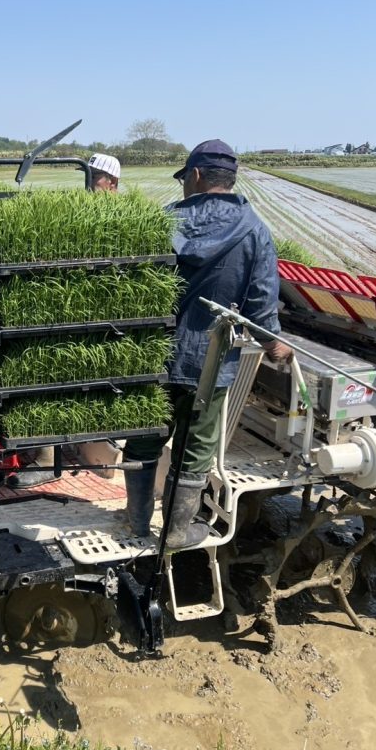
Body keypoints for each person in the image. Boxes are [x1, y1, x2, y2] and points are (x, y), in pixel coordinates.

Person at [123, 139, 292, 546]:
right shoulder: (254, 230)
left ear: (195, 176)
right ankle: (178, 530)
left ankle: (136, 522)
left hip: (155, 356)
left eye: (184, 178)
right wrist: (274, 345)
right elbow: (260, 301)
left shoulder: (162, 223)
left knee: (144, 436)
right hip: (210, 361)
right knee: (195, 445)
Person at [9, 154, 122, 488]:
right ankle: (50, 452)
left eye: (96, 177)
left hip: (98, 317)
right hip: (76, 312)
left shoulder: (120, 217)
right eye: (87, 175)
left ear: (112, 182)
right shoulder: (81, 211)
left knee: (54, 378)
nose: (89, 183)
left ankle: (50, 460)